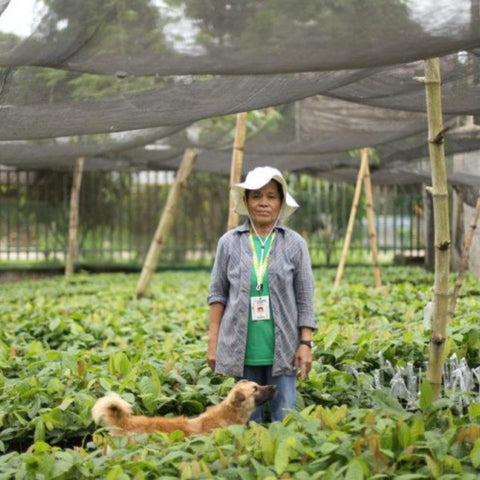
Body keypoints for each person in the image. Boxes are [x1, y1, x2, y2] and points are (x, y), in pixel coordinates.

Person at [207, 166, 316, 423]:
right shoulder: (229, 242)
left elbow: (305, 297)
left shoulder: (294, 244)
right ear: (246, 201)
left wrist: (306, 343)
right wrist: (214, 341)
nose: (263, 203)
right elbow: (217, 294)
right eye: (256, 196)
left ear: (281, 202)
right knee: (245, 423)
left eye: (271, 196)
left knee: (284, 419)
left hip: (285, 348)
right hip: (241, 348)